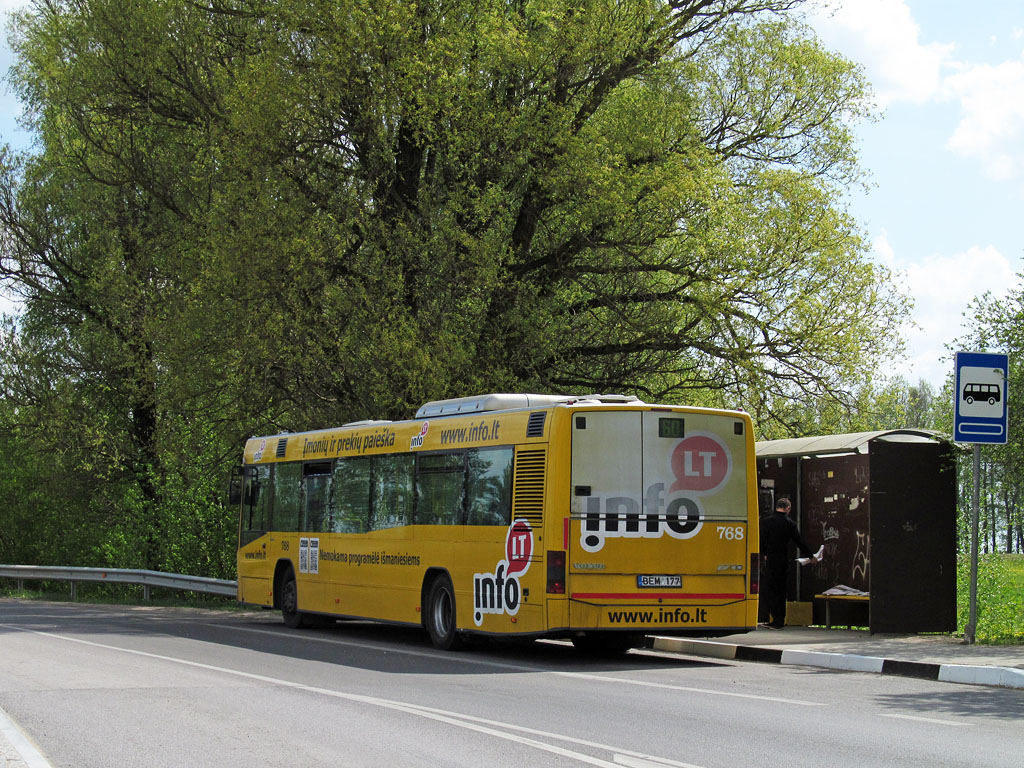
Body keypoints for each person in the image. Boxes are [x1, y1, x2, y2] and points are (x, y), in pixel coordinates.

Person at [759, 497, 819, 629]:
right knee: (781, 591)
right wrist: (811, 556)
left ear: (777, 507)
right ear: (788, 508)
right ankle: (780, 620)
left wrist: (764, 555)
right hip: (782, 560)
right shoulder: (789, 523)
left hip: (770, 560)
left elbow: (761, 540)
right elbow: (799, 542)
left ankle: (775, 619)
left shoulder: (767, 521)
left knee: (770, 590)